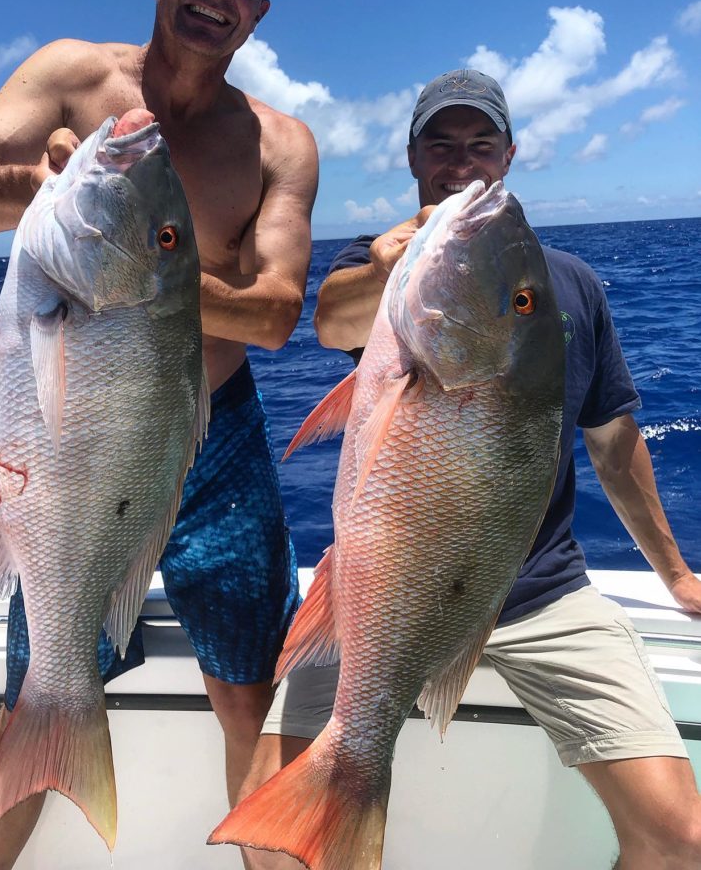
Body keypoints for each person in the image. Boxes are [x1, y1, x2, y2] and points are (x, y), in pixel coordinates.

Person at [0, 0, 318, 869]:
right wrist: (41, 195)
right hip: (80, 438)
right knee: (37, 683)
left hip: (217, 434)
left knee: (251, 693)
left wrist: (141, 274)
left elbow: (272, 312)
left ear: (260, 12)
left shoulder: (279, 142)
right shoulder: (68, 75)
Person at [239, 70, 701, 870]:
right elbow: (331, 321)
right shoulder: (383, 273)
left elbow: (615, 441)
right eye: (441, 145)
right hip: (385, 588)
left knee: (681, 839)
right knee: (275, 838)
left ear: (510, 154)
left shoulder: (573, 284)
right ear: (414, 157)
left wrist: (675, 572)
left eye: (480, 144)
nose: (462, 164)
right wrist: (390, 267)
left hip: (541, 591)